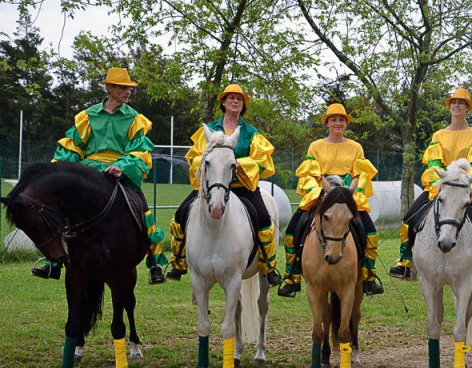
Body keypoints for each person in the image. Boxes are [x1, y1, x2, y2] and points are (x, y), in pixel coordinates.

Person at [31, 67, 168, 284]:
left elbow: (140, 149)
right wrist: (63, 174)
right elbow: (72, 147)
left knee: (142, 207)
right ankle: (53, 262)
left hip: (119, 172)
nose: (128, 92)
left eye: (129, 88)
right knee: (60, 211)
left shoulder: (135, 119)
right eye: (123, 87)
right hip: (86, 174)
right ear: (109, 88)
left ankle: (155, 262)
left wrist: (121, 165)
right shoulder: (87, 116)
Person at [165, 84, 283, 287]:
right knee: (181, 214)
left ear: (243, 104)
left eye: (239, 98)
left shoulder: (251, 133)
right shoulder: (208, 130)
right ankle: (179, 262)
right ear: (223, 102)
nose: (235, 101)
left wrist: (241, 165)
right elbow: (194, 157)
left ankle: (268, 266)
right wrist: (209, 165)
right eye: (231, 98)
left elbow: (263, 162)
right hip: (212, 186)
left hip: (242, 186)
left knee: (264, 219)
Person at [388, 88, 472, 287]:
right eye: (453, 102)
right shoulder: (438, 135)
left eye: (461, 103)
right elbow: (433, 164)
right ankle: (405, 261)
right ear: (449, 107)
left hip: (464, 186)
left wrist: (462, 181)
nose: (456, 105)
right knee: (409, 218)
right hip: (440, 185)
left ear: (467, 108)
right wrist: (439, 183)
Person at [278, 103, 384, 297]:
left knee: (370, 231)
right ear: (327, 123)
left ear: (346, 124)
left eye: (341, 119)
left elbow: (360, 173)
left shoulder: (356, 147)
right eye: (333, 119)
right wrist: (319, 190)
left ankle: (369, 275)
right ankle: (291, 275)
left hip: (347, 194)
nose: (338, 123)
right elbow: (309, 172)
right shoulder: (316, 146)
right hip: (321, 193)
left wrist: (352, 191)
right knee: (293, 231)